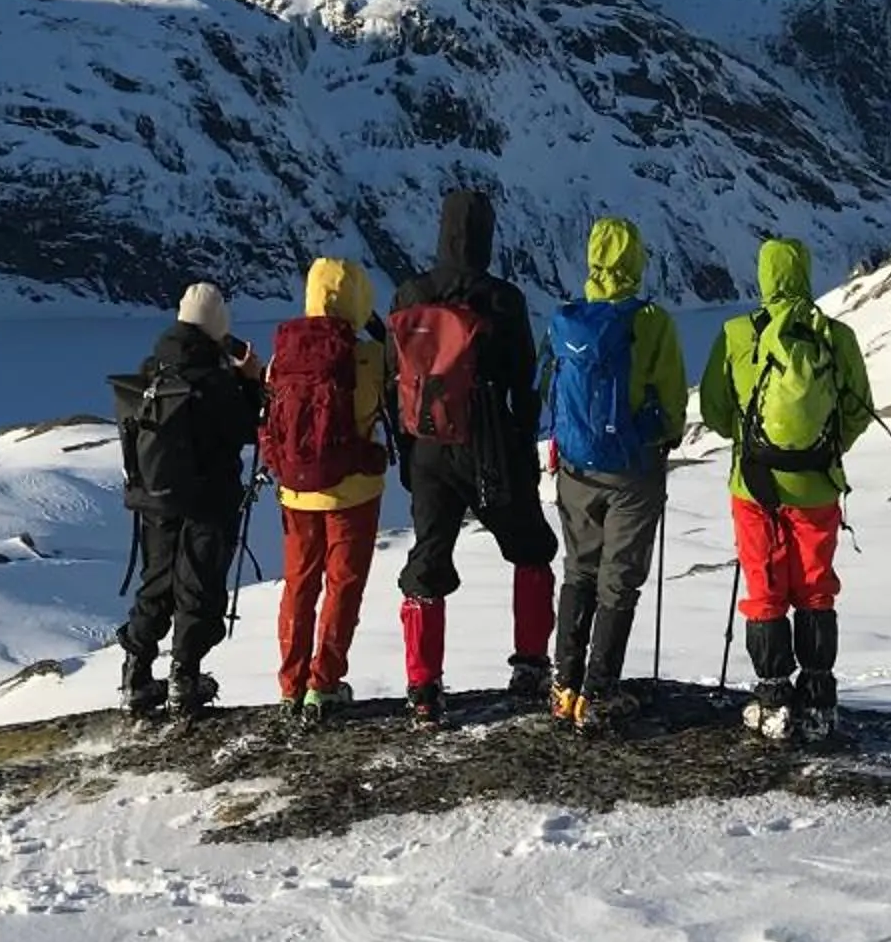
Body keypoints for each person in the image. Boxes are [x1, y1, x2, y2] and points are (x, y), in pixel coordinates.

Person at [389, 187, 558, 726]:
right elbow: (524, 383)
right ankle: (530, 665)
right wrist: (522, 445)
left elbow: (401, 383)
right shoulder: (504, 300)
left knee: (428, 560)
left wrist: (409, 451)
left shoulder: (409, 295)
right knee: (530, 547)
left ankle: (422, 688)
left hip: (429, 446)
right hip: (490, 444)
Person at [697, 238, 875, 743]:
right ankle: (819, 698)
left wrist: (749, 439)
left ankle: (773, 698)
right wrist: (824, 448)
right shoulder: (835, 336)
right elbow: (860, 408)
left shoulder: (736, 333)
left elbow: (713, 410)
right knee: (816, 586)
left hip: (754, 485)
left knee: (765, 587)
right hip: (817, 486)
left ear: (764, 277)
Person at [541, 216, 691, 732]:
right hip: (633, 468)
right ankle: (599, 692)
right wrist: (668, 433)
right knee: (619, 579)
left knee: (578, 569)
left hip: (576, 468)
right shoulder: (650, 321)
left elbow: (549, 388)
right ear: (636, 261)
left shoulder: (568, 319)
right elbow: (672, 395)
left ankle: (563, 687)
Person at [115, 281, 265, 719]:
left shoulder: (153, 367)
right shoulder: (214, 378)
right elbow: (246, 429)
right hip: (209, 499)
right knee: (197, 585)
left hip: (156, 497)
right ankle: (185, 676)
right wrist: (250, 382)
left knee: (157, 582)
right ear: (217, 325)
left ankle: (136, 674)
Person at [264, 257, 395, 726]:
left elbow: (270, 419)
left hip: (296, 491)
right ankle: (325, 683)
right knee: (343, 584)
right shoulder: (368, 357)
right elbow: (389, 403)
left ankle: (290, 685)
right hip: (353, 491)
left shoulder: (284, 356)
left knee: (299, 584)